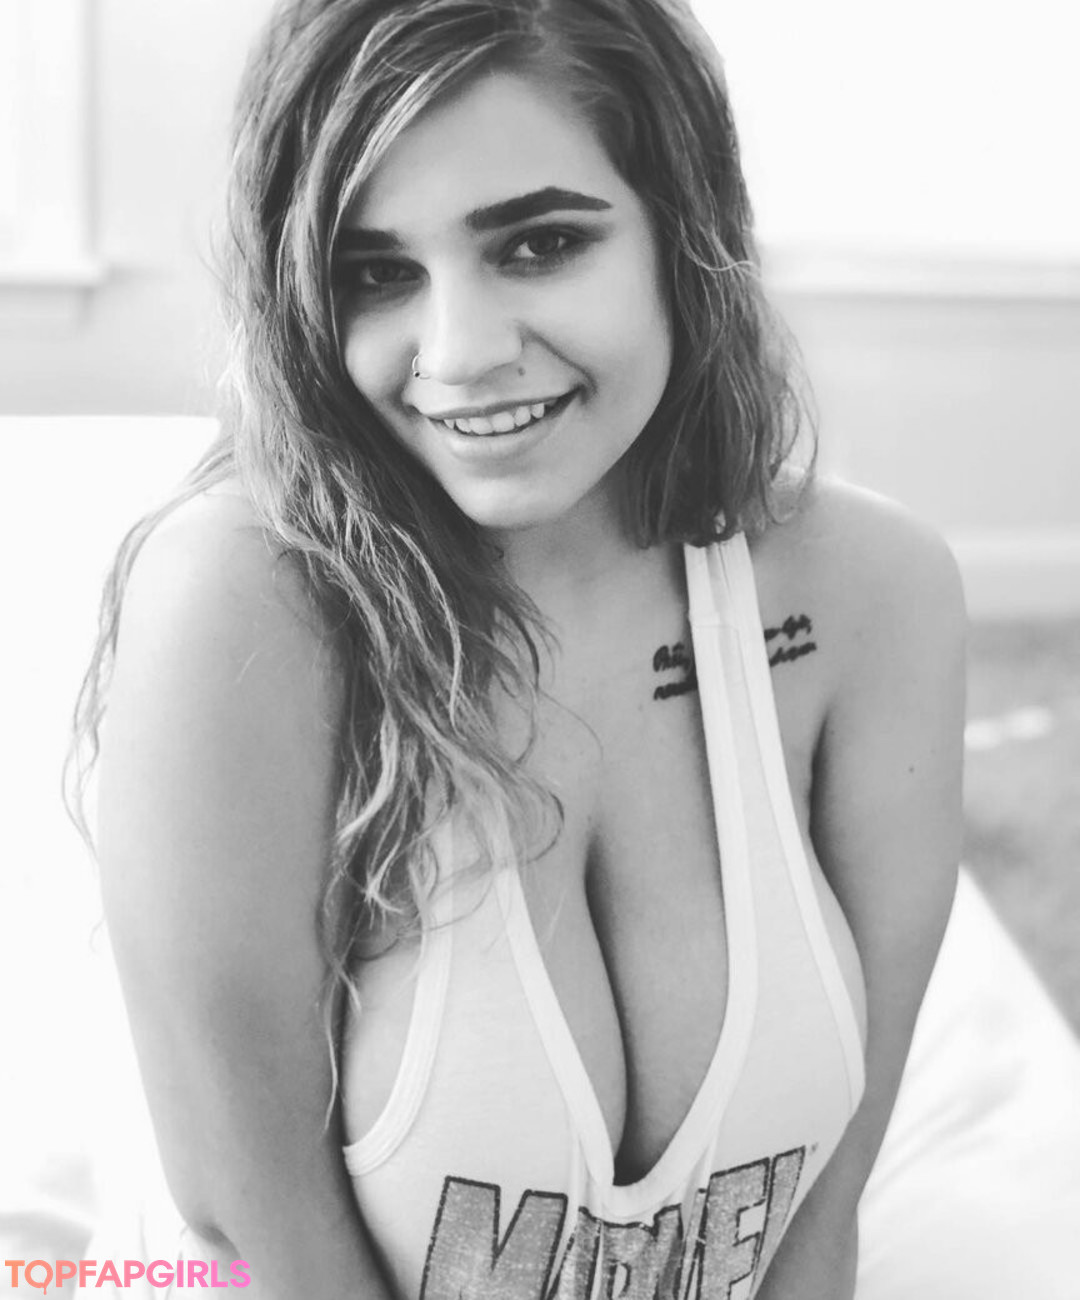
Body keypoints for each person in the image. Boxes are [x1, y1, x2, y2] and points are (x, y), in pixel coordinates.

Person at [70, 0, 966, 1296]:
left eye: (539, 244)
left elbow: (819, 1222)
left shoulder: (875, 596)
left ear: (685, 232)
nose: (461, 354)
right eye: (377, 272)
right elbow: (253, 1227)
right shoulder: (244, 606)